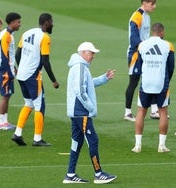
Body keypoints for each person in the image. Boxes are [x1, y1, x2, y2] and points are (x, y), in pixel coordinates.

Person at [62, 42, 117, 184]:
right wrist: (90, 107)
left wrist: (104, 78)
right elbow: (80, 90)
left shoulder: (79, 66)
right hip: (82, 112)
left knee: (76, 142)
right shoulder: (80, 67)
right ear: (84, 53)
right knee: (93, 140)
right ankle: (98, 174)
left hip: (76, 112)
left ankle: (70, 174)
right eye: (92, 53)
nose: (93, 56)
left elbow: (88, 84)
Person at [11, 13, 59, 146]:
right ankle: (37, 139)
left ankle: (17, 133)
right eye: (51, 22)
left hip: (21, 74)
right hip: (32, 76)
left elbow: (17, 54)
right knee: (39, 106)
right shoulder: (45, 37)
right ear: (47, 23)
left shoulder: (27, 33)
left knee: (28, 104)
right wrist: (53, 80)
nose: (52, 24)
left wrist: (22, 68)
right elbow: (45, 61)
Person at [131, 23, 175, 153]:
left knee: (141, 111)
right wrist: (167, 79)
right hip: (161, 83)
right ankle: (161, 146)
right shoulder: (168, 45)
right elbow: (171, 67)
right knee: (163, 112)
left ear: (152, 32)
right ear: (161, 32)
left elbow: (139, 64)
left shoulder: (142, 45)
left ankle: (137, 145)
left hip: (146, 82)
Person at [124, 0, 159, 122]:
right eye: (152, 4)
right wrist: (146, 47)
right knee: (134, 82)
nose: (154, 6)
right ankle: (127, 112)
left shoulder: (146, 17)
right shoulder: (137, 16)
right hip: (135, 54)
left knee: (150, 79)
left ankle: (154, 110)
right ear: (144, 3)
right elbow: (134, 39)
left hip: (144, 52)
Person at [0, 12, 21, 130]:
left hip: (8, 69)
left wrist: (13, 67)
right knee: (5, 96)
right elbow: (4, 55)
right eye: (18, 22)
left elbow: (9, 55)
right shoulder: (6, 35)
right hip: (4, 71)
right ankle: (1, 123)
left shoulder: (9, 35)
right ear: (12, 22)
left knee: (8, 95)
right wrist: (8, 71)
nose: (20, 24)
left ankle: (5, 121)